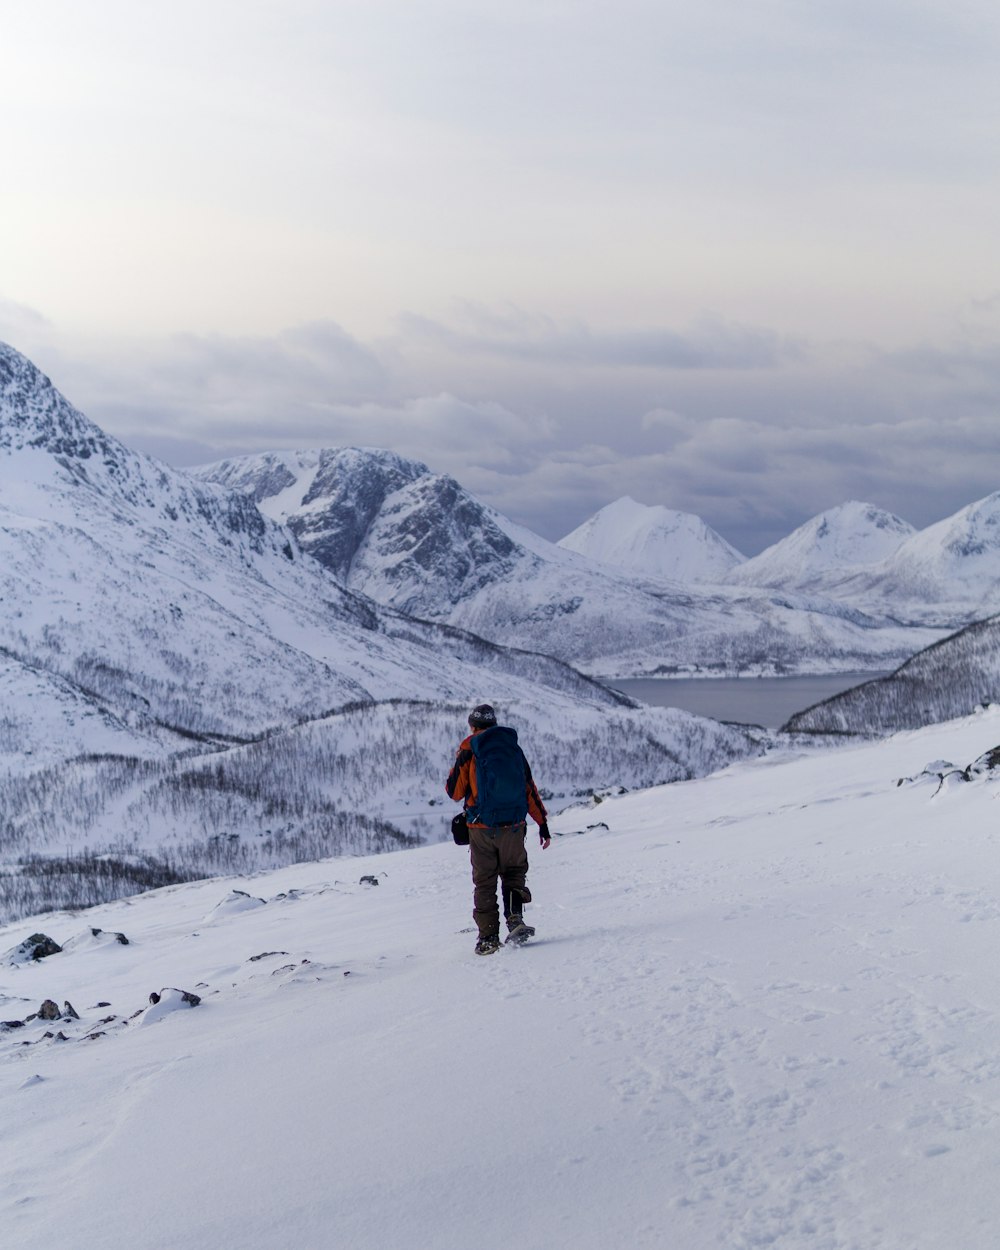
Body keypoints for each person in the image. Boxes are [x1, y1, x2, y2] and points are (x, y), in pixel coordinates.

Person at [446, 703, 550, 955]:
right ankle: (515, 919)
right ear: (493, 724)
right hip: (514, 825)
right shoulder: (512, 749)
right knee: (514, 873)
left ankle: (488, 938)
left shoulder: (469, 750)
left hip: (481, 828)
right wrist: (543, 824)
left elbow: (453, 791)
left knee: (485, 882)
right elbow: (529, 788)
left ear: (472, 726)